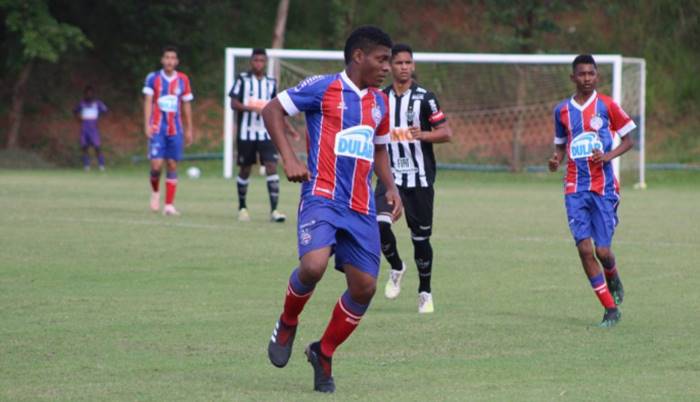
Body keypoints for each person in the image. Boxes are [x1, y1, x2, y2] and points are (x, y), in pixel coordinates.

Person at [261, 26, 402, 393]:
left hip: (361, 207)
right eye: (382, 59)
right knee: (313, 265)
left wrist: (389, 186)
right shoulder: (323, 87)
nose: (387, 67)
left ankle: (323, 352)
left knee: (365, 287)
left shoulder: (380, 102)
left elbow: (380, 147)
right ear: (359, 56)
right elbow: (272, 109)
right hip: (321, 195)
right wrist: (289, 158)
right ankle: (288, 321)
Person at [548, 54, 635, 328]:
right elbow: (561, 145)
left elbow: (629, 140)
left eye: (591, 74)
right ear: (573, 77)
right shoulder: (562, 110)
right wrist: (556, 159)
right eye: (581, 74)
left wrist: (608, 157)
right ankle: (610, 309)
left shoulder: (607, 105)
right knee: (585, 250)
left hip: (603, 189)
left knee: (603, 251)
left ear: (597, 76)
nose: (586, 78)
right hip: (574, 188)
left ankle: (613, 272)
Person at [375, 43, 452, 313]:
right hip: (389, 178)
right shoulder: (379, 98)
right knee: (379, 225)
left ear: (413, 66)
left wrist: (424, 135)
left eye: (408, 62)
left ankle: (425, 291)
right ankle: (396, 267)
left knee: (420, 240)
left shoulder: (425, 98)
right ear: (391, 66)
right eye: (399, 63)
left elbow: (446, 132)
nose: (404, 67)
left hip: (419, 180)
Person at [229, 48, 300, 222]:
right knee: (245, 169)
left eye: (261, 60)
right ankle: (242, 207)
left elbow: (277, 110)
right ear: (251, 62)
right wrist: (251, 108)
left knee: (271, 166)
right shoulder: (242, 80)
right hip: (246, 134)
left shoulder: (270, 83)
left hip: (266, 134)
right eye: (255, 60)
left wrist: (289, 129)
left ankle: (274, 210)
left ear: (266, 62)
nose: (258, 64)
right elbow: (233, 103)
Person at [142, 45, 194, 216]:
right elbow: (148, 101)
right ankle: (155, 192)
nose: (170, 61)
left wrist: (189, 129)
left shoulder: (183, 80)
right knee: (156, 165)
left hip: (175, 129)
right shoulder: (153, 78)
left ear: (177, 61)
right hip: (157, 128)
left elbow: (186, 105)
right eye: (167, 57)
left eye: (173, 58)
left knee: (172, 163)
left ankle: (169, 205)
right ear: (162, 60)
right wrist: (147, 124)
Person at [73, 86, 108, 171]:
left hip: (93, 129)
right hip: (84, 128)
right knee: (85, 147)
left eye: (90, 93)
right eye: (87, 93)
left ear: (93, 94)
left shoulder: (97, 103)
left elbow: (105, 110)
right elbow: (75, 111)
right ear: (84, 94)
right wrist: (79, 117)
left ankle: (101, 165)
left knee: (97, 147)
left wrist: (98, 118)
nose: (89, 95)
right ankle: (86, 165)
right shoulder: (81, 104)